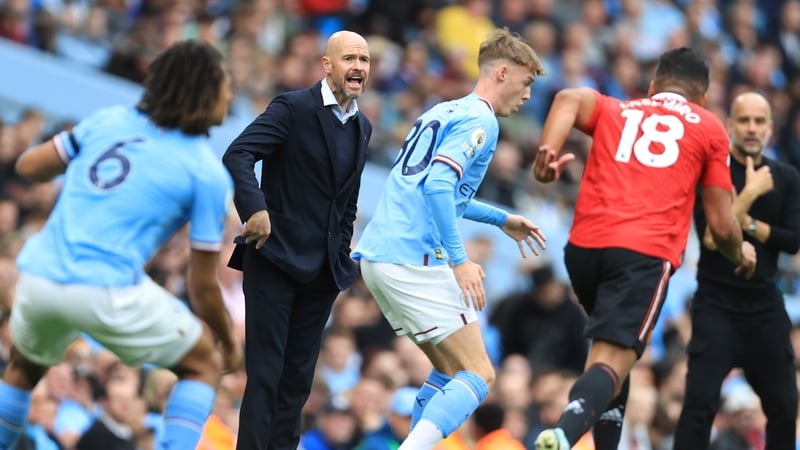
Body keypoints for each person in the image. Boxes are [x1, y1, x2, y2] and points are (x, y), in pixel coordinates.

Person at [0, 40, 241, 450]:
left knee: (24, 369)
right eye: (225, 85)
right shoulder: (206, 172)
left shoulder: (110, 120)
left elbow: (28, 166)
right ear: (203, 91)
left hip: (40, 275)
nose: (231, 95)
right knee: (202, 364)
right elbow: (201, 287)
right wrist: (228, 341)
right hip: (106, 288)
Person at [530, 47, 757, 450]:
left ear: (653, 88)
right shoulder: (708, 127)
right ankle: (562, 433)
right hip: (642, 255)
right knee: (611, 361)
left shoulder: (619, 109)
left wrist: (546, 154)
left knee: (617, 356)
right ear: (702, 98)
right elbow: (722, 226)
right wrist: (742, 254)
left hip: (583, 250)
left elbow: (567, 98)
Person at [353, 27, 546, 450]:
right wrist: (459, 260)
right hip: (412, 258)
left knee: (450, 373)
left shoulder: (444, 111)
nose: (529, 95)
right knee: (480, 374)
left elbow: (447, 194)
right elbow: (439, 187)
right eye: (527, 82)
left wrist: (500, 219)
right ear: (501, 72)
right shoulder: (481, 119)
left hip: (380, 256)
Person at [222, 30, 372, 450]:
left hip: (322, 272)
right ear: (327, 65)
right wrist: (255, 209)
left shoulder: (363, 125)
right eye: (349, 58)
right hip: (274, 261)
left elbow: (348, 201)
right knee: (266, 376)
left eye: (364, 59)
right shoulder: (293, 107)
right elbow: (238, 154)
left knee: (297, 384)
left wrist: (341, 254)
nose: (358, 66)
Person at [674, 92, 800, 449]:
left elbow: (793, 240)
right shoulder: (710, 172)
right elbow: (713, 238)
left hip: (764, 305)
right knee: (699, 405)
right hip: (716, 304)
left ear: (770, 128)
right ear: (730, 125)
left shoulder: (787, 177)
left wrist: (747, 223)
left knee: (785, 406)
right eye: (744, 120)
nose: (751, 128)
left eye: (759, 121)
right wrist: (751, 193)